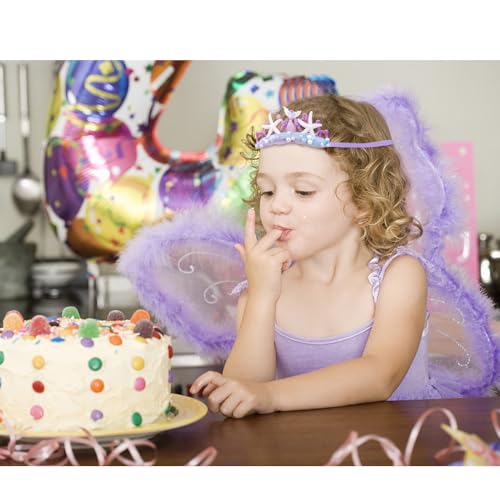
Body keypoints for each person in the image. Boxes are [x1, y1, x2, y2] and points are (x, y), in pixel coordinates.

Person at [188, 94, 449, 417]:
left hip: (395, 443)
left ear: (365, 200)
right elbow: (243, 393)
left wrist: (271, 395)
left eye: (303, 191)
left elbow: (380, 375)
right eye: (267, 190)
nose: (276, 206)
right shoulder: (264, 290)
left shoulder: (399, 276)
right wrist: (262, 297)